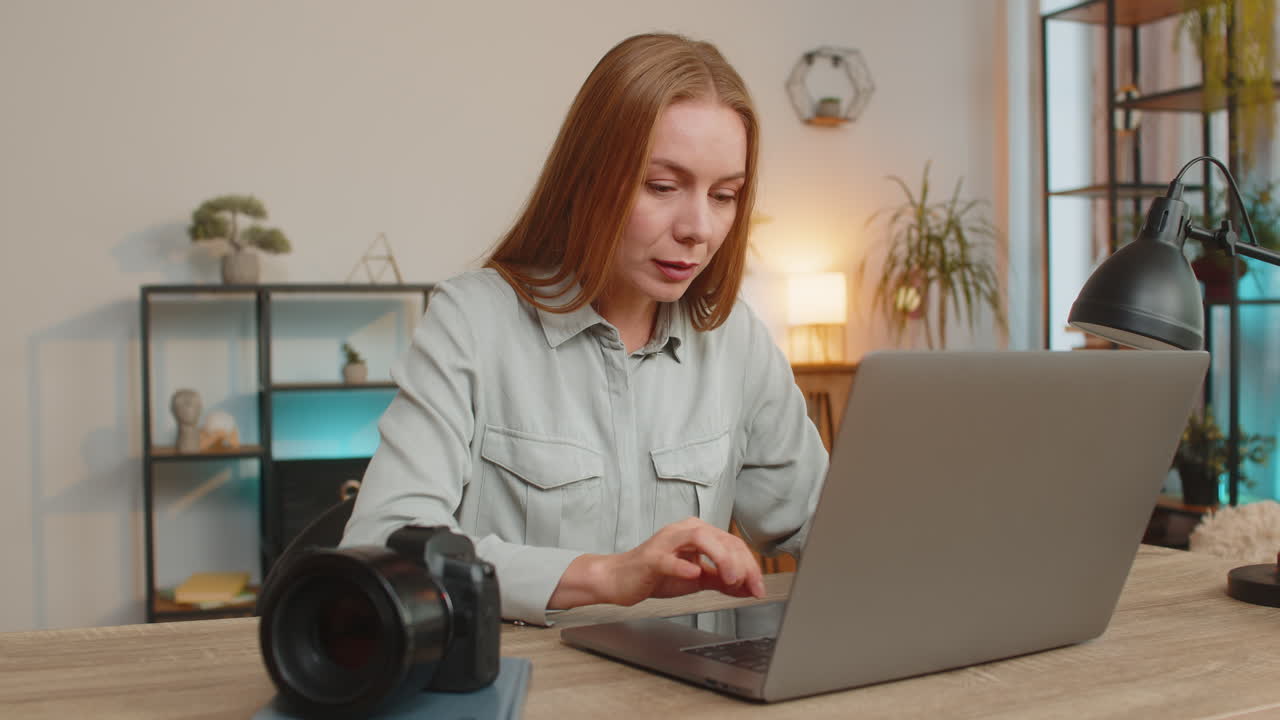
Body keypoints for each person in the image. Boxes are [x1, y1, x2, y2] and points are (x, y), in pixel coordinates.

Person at [342, 32, 828, 626]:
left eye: (725, 194)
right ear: (589, 177)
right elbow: (384, 541)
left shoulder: (736, 340)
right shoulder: (472, 323)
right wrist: (609, 575)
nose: (698, 227)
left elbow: (823, 526)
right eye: (661, 186)